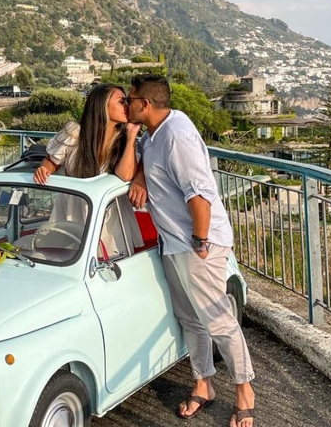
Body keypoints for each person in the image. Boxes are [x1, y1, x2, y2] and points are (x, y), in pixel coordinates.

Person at [121, 74, 255, 427]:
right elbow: (150, 167)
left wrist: (200, 242)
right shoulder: (154, 134)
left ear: (145, 104)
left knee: (219, 322)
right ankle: (203, 384)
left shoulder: (177, 135)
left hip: (198, 244)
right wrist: (140, 178)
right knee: (190, 320)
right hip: (174, 243)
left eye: (130, 99)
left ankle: (245, 394)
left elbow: (199, 194)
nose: (126, 105)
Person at [34, 83, 142, 256]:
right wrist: (44, 169)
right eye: (122, 101)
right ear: (102, 105)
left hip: (108, 217)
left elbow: (126, 175)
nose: (127, 106)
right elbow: (51, 161)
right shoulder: (75, 133)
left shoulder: (124, 141)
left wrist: (131, 137)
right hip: (72, 210)